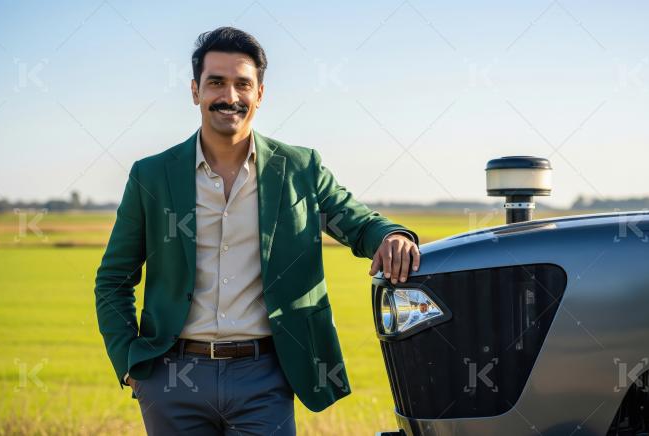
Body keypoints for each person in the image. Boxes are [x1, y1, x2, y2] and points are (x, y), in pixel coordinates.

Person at [94, 26, 420, 435]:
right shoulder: (151, 175)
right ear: (195, 91)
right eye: (216, 83)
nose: (229, 97)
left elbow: (357, 223)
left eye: (242, 84)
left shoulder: (301, 168)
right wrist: (131, 365)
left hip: (265, 377)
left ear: (259, 94)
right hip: (172, 379)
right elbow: (113, 279)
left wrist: (392, 236)